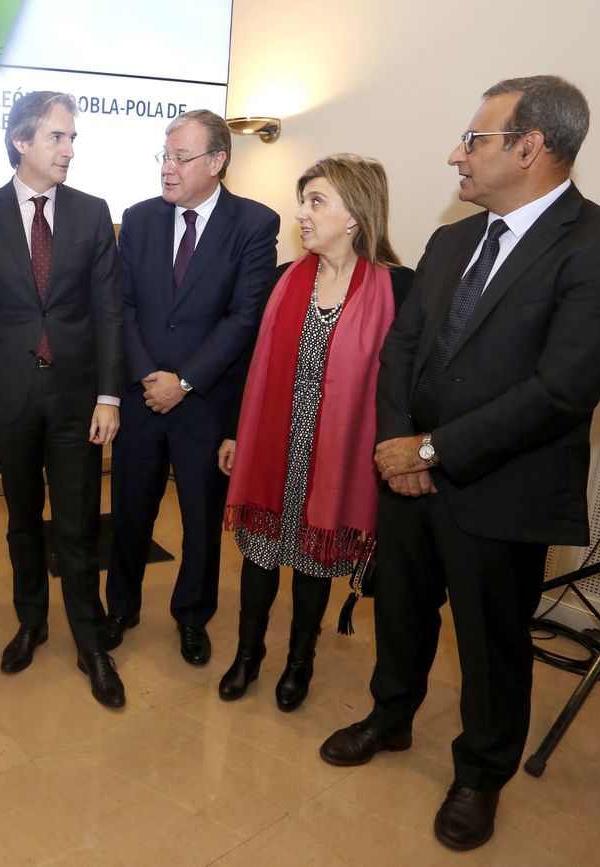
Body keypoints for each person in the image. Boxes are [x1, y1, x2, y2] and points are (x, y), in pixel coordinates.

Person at [319, 76, 600, 851]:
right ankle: (390, 715)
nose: (455, 156)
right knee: (400, 610)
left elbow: (562, 389)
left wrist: (434, 449)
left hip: (501, 487)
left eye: (473, 141)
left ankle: (480, 772)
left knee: (492, 640)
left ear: (530, 148)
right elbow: (402, 350)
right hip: (407, 476)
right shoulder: (451, 240)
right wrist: (399, 445)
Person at [0, 92, 126, 708]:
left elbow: (109, 312)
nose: (69, 149)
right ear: (22, 142)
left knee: (77, 523)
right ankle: (32, 623)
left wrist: (110, 396)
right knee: (23, 521)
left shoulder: (92, 212)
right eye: (58, 137)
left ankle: (89, 639)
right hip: (8, 399)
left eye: (72, 138)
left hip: (78, 399)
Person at [218, 154, 411, 711]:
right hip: (273, 446)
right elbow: (253, 369)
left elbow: (401, 387)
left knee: (313, 562)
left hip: (337, 456)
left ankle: (300, 662)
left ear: (354, 215)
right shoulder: (285, 280)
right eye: (302, 200)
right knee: (258, 554)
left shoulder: (396, 289)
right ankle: (247, 656)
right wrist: (236, 433)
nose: (301, 214)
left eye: (315, 201)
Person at [107, 109, 279, 665]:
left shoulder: (254, 224)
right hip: (141, 396)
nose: (168, 169)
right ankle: (120, 608)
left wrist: (183, 381)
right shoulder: (138, 219)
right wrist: (147, 377)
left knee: (203, 523)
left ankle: (191, 617)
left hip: (205, 404)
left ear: (217, 161)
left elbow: (244, 317)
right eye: (165, 156)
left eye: (181, 158)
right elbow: (124, 306)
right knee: (130, 511)